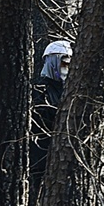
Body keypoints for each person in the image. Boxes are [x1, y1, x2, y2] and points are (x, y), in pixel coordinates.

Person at [30, 40, 71, 197]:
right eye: (62, 61)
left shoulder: (71, 89)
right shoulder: (39, 90)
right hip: (42, 155)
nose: (66, 67)